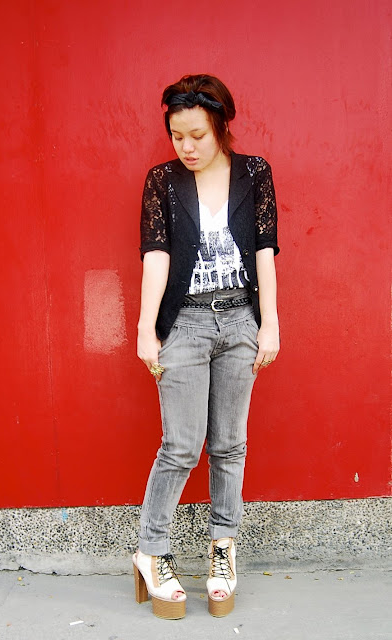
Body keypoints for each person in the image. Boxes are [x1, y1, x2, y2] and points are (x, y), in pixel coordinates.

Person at [133, 74, 279, 620]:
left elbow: (265, 252)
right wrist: (146, 329)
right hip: (186, 324)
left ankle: (223, 549)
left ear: (221, 126)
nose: (187, 147)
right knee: (181, 446)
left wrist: (270, 323)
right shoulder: (162, 181)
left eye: (197, 135)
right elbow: (156, 255)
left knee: (230, 444)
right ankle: (151, 551)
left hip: (240, 319)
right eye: (177, 136)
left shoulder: (255, 173)